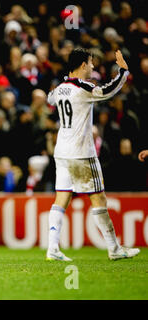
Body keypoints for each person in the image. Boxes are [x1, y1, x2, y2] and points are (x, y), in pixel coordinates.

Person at [45, 49, 139, 261]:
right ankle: (114, 249)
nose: (93, 67)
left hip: (62, 152)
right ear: (82, 65)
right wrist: (123, 72)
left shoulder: (60, 89)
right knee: (98, 198)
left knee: (62, 197)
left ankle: (52, 248)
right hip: (81, 153)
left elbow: (50, 99)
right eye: (91, 63)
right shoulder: (83, 87)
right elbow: (107, 91)